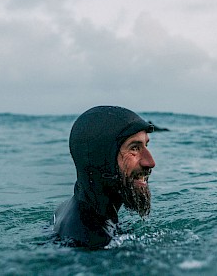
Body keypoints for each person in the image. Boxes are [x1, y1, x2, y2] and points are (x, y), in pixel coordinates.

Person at [53, 105, 156, 248]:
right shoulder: (94, 243)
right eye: (134, 148)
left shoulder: (66, 208)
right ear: (101, 160)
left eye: (146, 145)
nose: (150, 162)